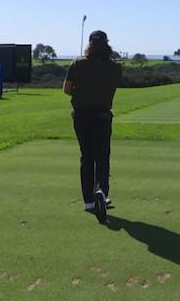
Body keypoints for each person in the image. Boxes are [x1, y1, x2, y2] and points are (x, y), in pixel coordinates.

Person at [63, 30, 122, 223]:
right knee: (102, 156)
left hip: (81, 115)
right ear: (107, 44)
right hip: (103, 115)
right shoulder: (114, 67)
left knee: (86, 156)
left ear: (89, 44)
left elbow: (67, 89)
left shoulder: (77, 64)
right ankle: (102, 192)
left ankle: (89, 200)